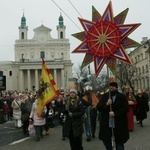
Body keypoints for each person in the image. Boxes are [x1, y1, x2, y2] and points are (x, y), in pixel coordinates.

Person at [97, 82, 129, 150]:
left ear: (116, 87)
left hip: (119, 123)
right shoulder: (105, 96)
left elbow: (125, 108)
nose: (111, 87)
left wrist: (115, 113)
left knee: (119, 142)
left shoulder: (122, 97)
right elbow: (98, 107)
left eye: (113, 86)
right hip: (107, 123)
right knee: (106, 140)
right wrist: (106, 104)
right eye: (110, 86)